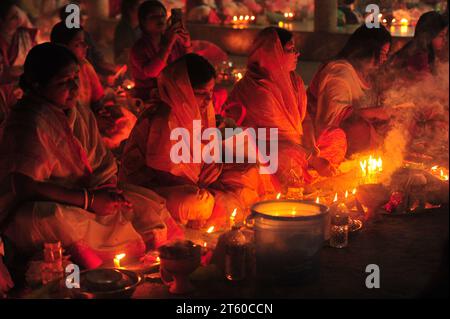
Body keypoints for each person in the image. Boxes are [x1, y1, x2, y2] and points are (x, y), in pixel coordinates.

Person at [0, 43, 182, 268]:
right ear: (37, 85)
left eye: (76, 78)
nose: (75, 86)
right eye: (63, 82)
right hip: (42, 206)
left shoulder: (79, 112)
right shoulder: (29, 120)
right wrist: (89, 200)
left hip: (84, 196)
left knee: (146, 202)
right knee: (49, 217)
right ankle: (92, 263)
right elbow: (23, 187)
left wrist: (108, 191)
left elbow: (101, 162)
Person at [120, 53, 275, 229]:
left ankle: (213, 207)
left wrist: (216, 170)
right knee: (197, 203)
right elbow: (165, 176)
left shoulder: (198, 109)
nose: (209, 99)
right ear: (182, 91)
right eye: (201, 93)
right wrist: (208, 185)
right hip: (153, 190)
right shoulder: (163, 117)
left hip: (196, 180)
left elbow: (205, 151)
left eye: (211, 91)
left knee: (249, 168)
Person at [224, 27, 345, 188]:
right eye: (291, 50)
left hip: (300, 148)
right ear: (273, 53)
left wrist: (311, 147)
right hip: (267, 153)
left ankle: (306, 170)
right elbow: (268, 141)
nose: (297, 54)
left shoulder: (295, 81)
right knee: (288, 159)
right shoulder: (259, 90)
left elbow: (305, 119)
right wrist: (311, 158)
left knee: (336, 136)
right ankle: (303, 173)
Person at [307, 24, 392, 156]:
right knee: (359, 129)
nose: (384, 59)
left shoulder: (370, 74)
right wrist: (376, 112)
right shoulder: (338, 72)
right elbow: (333, 118)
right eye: (381, 54)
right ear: (365, 50)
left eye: (386, 54)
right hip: (329, 139)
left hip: (364, 134)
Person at [50, 22, 137, 150]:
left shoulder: (85, 66)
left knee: (127, 121)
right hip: (69, 128)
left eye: (85, 42)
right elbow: (59, 115)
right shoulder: (54, 75)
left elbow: (97, 101)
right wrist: (93, 122)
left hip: (90, 121)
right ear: (62, 47)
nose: (86, 46)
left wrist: (106, 113)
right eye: (78, 44)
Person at [130, 0, 192, 101]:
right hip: (150, 98)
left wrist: (187, 44)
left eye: (163, 15)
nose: (160, 19)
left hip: (174, 92)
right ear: (143, 22)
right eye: (154, 17)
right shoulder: (139, 47)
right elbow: (152, 72)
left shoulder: (174, 42)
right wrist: (168, 44)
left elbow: (189, 68)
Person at [388, 11, 448, 79]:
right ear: (428, 35)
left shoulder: (418, 49)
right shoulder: (418, 56)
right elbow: (424, 83)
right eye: (441, 35)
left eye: (445, 35)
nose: (445, 40)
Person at [114, 0, 142, 65]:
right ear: (130, 12)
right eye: (138, 9)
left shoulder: (143, 26)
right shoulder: (123, 29)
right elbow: (124, 53)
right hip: (127, 64)